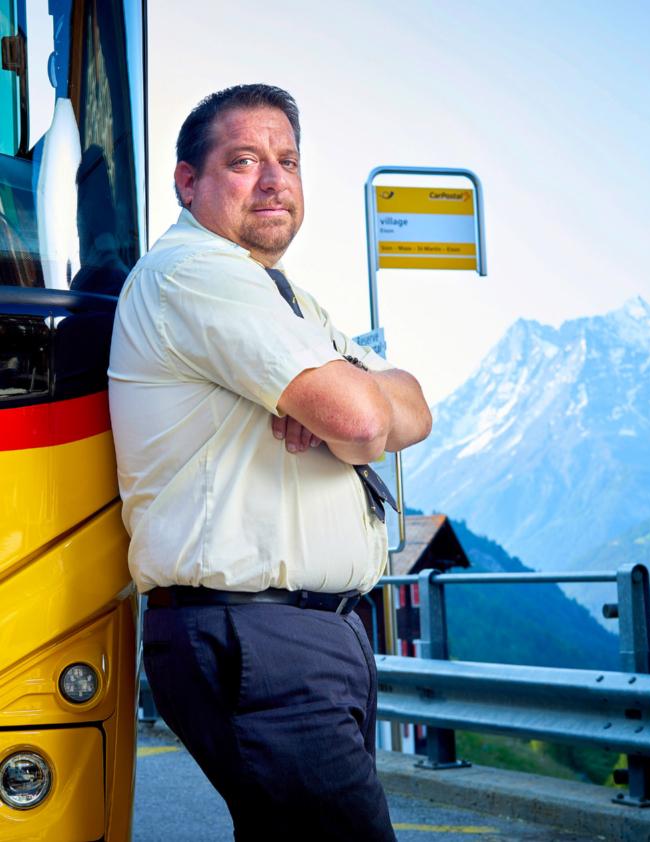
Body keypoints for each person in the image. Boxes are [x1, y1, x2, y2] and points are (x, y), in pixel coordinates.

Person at [108, 84, 432, 841]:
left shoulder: (287, 300)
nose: (273, 180)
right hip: (259, 637)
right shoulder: (196, 273)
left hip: (301, 636)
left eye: (287, 160)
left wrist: (350, 407)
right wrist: (353, 409)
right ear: (188, 181)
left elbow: (412, 407)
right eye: (244, 161)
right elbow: (363, 419)